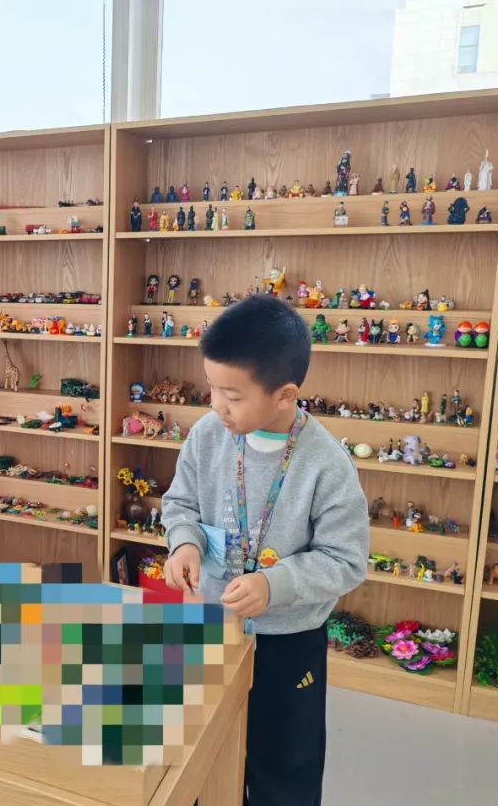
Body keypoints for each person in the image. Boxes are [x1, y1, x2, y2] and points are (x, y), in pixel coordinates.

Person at [161, 294, 368, 806]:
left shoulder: (326, 464)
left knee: (284, 770)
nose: (216, 405)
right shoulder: (207, 435)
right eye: (211, 387)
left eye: (231, 395)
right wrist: (183, 542)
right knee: (202, 756)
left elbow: (345, 560)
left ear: (284, 394)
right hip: (211, 630)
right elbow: (180, 502)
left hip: (288, 644)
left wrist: (275, 584)